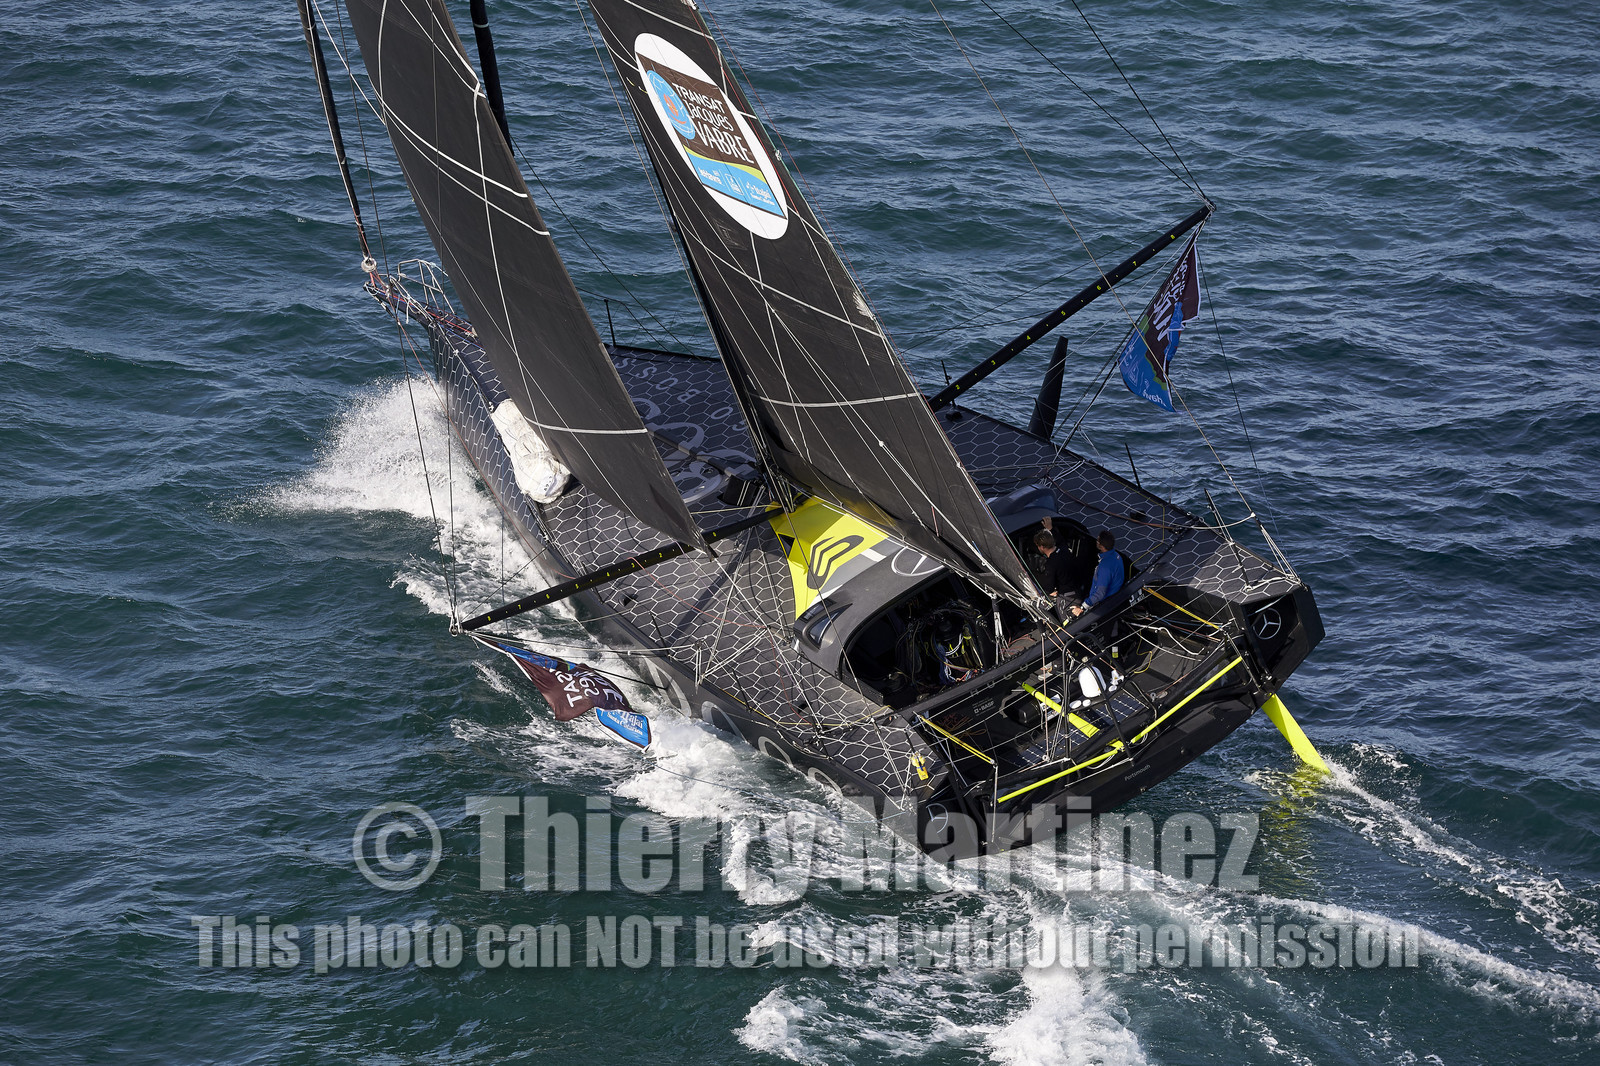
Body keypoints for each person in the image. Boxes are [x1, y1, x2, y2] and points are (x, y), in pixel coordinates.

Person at [1070, 530, 1124, 618]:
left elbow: (1100, 594)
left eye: (1098, 540)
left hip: (1103, 605)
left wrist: (1083, 607)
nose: (1096, 541)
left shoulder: (1104, 567)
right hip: (1114, 598)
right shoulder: (1116, 556)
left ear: (1101, 546)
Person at [1033, 528, 1073, 616]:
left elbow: (1049, 587)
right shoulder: (1064, 549)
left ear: (1042, 547)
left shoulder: (1051, 564)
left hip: (1067, 597)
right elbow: (1061, 541)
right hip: (1077, 589)